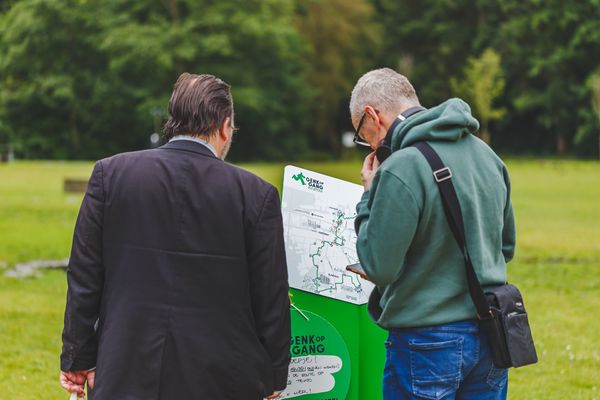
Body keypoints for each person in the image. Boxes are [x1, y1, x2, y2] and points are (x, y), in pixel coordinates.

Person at [60, 73, 290, 400]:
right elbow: (271, 296)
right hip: (223, 376)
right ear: (225, 126)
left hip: (126, 368)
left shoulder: (110, 175)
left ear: (173, 122)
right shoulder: (256, 195)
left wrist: (77, 357)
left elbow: (84, 276)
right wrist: (273, 374)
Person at [350, 68, 515, 399]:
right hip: (491, 333)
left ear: (372, 115)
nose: (367, 144)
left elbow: (379, 266)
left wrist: (369, 194)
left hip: (425, 342)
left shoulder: (401, 167)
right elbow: (505, 247)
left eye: (362, 134)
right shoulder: (488, 156)